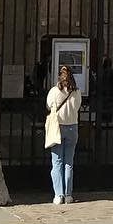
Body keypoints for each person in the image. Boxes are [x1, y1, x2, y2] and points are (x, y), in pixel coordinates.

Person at [46, 63, 81, 204]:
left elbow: (48, 106)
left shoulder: (54, 91)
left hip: (58, 127)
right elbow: (77, 107)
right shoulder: (76, 92)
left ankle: (58, 195)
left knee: (57, 162)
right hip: (72, 127)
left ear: (60, 77)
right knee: (69, 162)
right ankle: (68, 194)